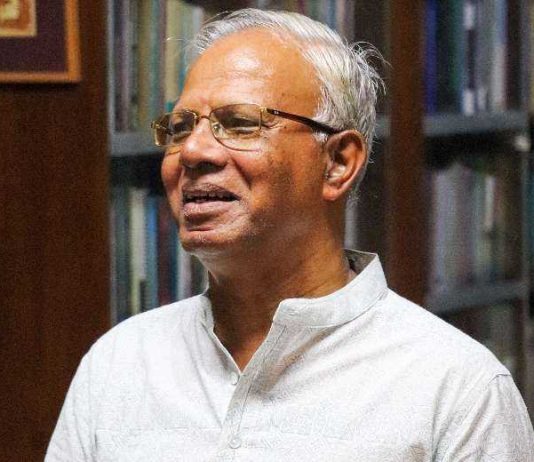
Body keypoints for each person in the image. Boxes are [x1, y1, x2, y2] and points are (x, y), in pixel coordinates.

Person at [46, 8, 534, 462]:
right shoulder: (118, 364)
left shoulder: (456, 390)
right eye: (179, 127)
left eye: (239, 124)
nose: (192, 151)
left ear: (338, 162)